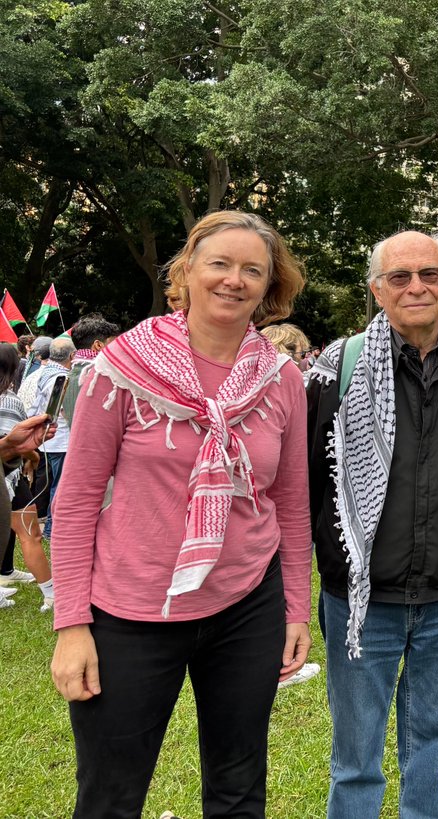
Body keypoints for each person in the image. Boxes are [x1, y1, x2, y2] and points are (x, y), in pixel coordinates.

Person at [49, 210, 312, 818]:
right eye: (219, 264)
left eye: (253, 270)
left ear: (270, 287)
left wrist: (295, 608)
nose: (233, 280)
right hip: (129, 609)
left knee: (239, 786)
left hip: (247, 605)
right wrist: (71, 625)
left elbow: (292, 505)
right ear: (187, 272)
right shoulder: (120, 370)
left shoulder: (281, 380)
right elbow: (78, 499)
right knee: (111, 794)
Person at [307, 230, 438, 819]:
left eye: (429, 274)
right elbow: (306, 480)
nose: (416, 287)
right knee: (356, 759)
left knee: (432, 748)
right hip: (361, 597)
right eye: (399, 277)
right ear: (377, 289)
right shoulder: (336, 367)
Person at [0, 344, 54, 611]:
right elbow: (17, 444)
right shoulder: (9, 401)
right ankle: (51, 593)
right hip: (10, 476)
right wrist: (33, 459)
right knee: (30, 534)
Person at [31, 336, 74, 540]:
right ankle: (50, 530)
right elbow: (59, 410)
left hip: (46, 439)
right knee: (59, 487)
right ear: (72, 356)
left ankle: (48, 527)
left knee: (50, 485)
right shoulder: (63, 378)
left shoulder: (46, 373)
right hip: (60, 439)